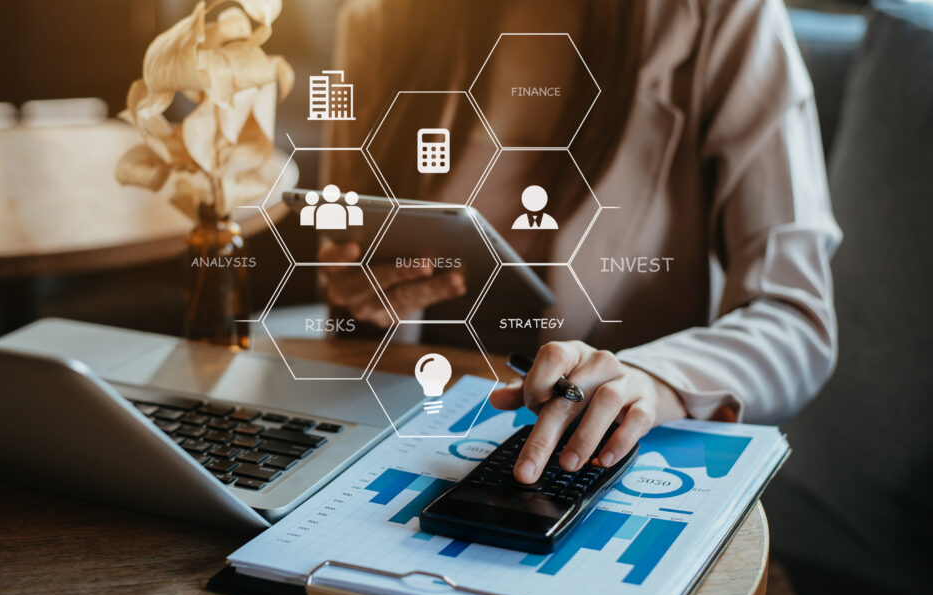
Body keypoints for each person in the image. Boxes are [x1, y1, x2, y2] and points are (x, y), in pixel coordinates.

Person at [319, 0, 841, 485]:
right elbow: (348, 292)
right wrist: (357, 293)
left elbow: (794, 319)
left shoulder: (725, 17)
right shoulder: (378, 21)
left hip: (601, 469)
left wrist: (650, 379)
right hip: (406, 442)